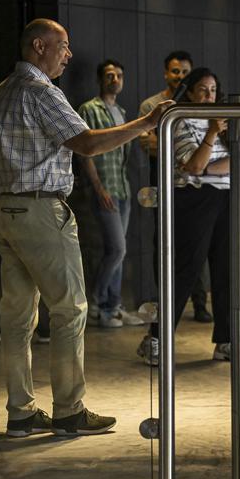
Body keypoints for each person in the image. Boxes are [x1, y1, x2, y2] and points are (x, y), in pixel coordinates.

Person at [0, 19, 172, 438]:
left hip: (1, 210)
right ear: (39, 46)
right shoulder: (41, 91)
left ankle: (20, 413)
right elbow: (87, 143)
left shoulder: (0, 92)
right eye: (63, 46)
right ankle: (69, 410)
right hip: (39, 210)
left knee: (17, 318)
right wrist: (146, 123)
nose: (68, 54)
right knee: (69, 311)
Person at [137, 67, 231, 366]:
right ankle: (156, 339)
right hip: (193, 199)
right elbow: (193, 166)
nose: (209, 96)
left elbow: (236, 161)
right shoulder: (178, 121)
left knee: (226, 271)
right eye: (202, 89)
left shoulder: (224, 121)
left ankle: (225, 340)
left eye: (213, 90)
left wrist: (207, 166)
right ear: (190, 92)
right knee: (184, 272)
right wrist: (211, 138)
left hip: (226, 198)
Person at [138, 50, 212, 324]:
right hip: (162, 181)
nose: (179, 76)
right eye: (175, 71)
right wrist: (188, 151)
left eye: (185, 72)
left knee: (197, 245)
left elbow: (202, 154)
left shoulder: (199, 104)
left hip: (196, 185)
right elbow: (147, 145)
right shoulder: (151, 105)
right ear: (166, 73)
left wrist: (175, 146)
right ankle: (165, 303)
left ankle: (200, 303)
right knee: (164, 242)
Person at [77, 59, 142, 330]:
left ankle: (112, 308)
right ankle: (97, 302)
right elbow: (84, 151)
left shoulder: (122, 112)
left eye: (119, 75)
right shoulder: (89, 109)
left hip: (122, 187)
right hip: (105, 188)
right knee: (117, 249)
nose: (115, 79)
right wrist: (98, 187)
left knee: (118, 251)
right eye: (110, 75)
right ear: (100, 79)